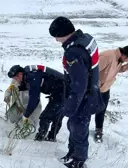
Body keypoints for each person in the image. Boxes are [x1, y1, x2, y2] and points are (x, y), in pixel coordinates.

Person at [49, 16, 105, 168]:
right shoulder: (87, 39)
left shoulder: (73, 52)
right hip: (91, 92)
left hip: (83, 98)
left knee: (78, 128)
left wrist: (70, 107)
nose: (56, 40)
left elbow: (79, 84)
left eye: (57, 37)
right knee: (76, 126)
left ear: (63, 33)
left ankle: (78, 160)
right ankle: (72, 153)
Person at [5, 64, 65, 142]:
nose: (16, 80)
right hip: (60, 90)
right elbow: (26, 84)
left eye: (16, 78)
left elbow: (34, 100)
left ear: (20, 74)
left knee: (45, 117)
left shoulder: (33, 77)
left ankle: (40, 139)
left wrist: (26, 115)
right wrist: (16, 89)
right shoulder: (28, 72)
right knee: (56, 114)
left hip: (64, 92)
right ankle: (51, 137)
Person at [95, 46, 128, 142]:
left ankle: (98, 130)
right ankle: (81, 131)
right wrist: (94, 86)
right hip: (94, 89)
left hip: (105, 88)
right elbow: (92, 70)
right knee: (86, 110)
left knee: (101, 110)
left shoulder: (119, 59)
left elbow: (117, 69)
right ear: (124, 55)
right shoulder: (107, 56)